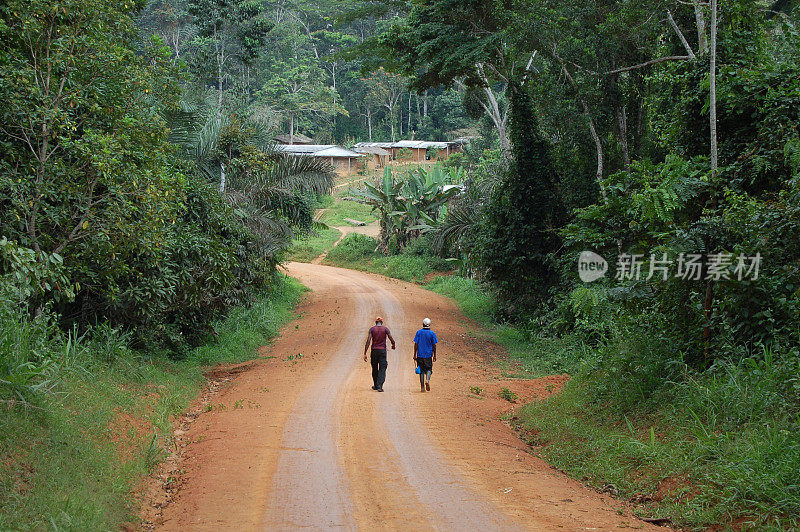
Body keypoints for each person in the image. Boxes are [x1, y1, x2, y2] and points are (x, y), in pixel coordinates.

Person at [363, 316, 395, 392]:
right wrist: (393, 344)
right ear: (382, 322)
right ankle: (380, 386)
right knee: (382, 368)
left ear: (375, 322)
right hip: (382, 351)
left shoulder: (372, 329)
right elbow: (391, 338)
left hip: (374, 350)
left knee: (374, 368)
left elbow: (368, 341)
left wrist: (365, 352)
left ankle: (376, 385)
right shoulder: (385, 329)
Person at [413, 317, 437, 392]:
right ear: (429, 325)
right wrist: (434, 355)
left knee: (421, 371)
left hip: (420, 355)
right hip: (428, 355)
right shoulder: (432, 333)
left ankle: (422, 387)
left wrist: (414, 354)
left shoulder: (419, 332)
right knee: (429, 369)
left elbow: (416, 344)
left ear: (423, 324)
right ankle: (427, 380)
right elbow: (434, 345)